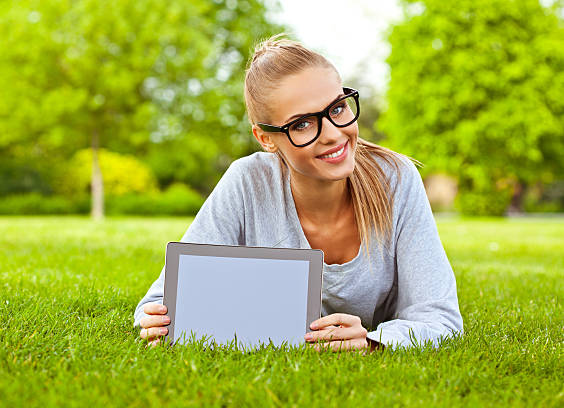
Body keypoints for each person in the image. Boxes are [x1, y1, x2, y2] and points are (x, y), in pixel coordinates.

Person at [134, 34, 463, 352]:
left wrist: (374, 341)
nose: (333, 135)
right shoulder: (248, 183)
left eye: (336, 109)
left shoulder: (395, 178)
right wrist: (156, 321)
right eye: (302, 124)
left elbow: (440, 316)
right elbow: (162, 301)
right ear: (265, 138)